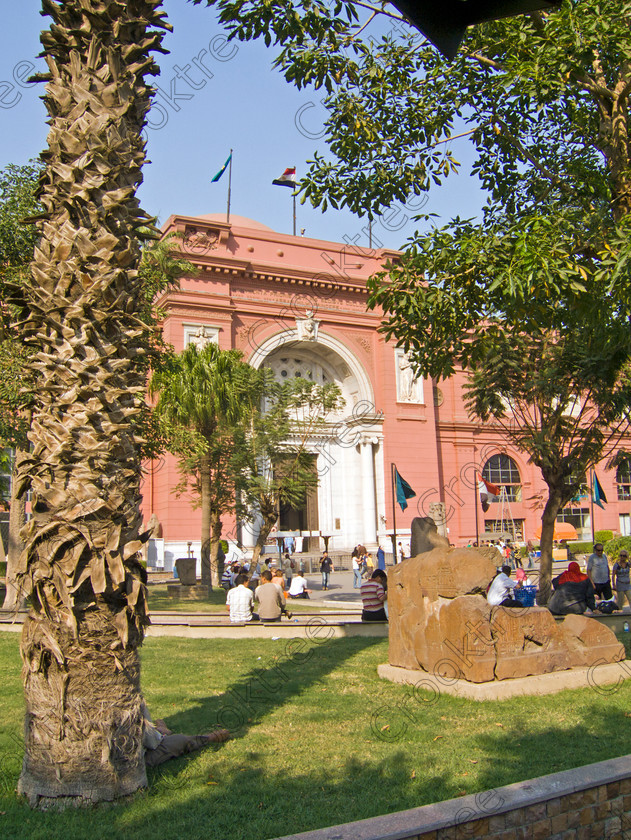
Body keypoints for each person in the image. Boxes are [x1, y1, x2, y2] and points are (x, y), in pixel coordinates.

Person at [142, 703, 230, 768]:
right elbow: (151, 743)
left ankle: (160, 732)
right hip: (139, 759)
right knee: (180, 740)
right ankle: (207, 738)